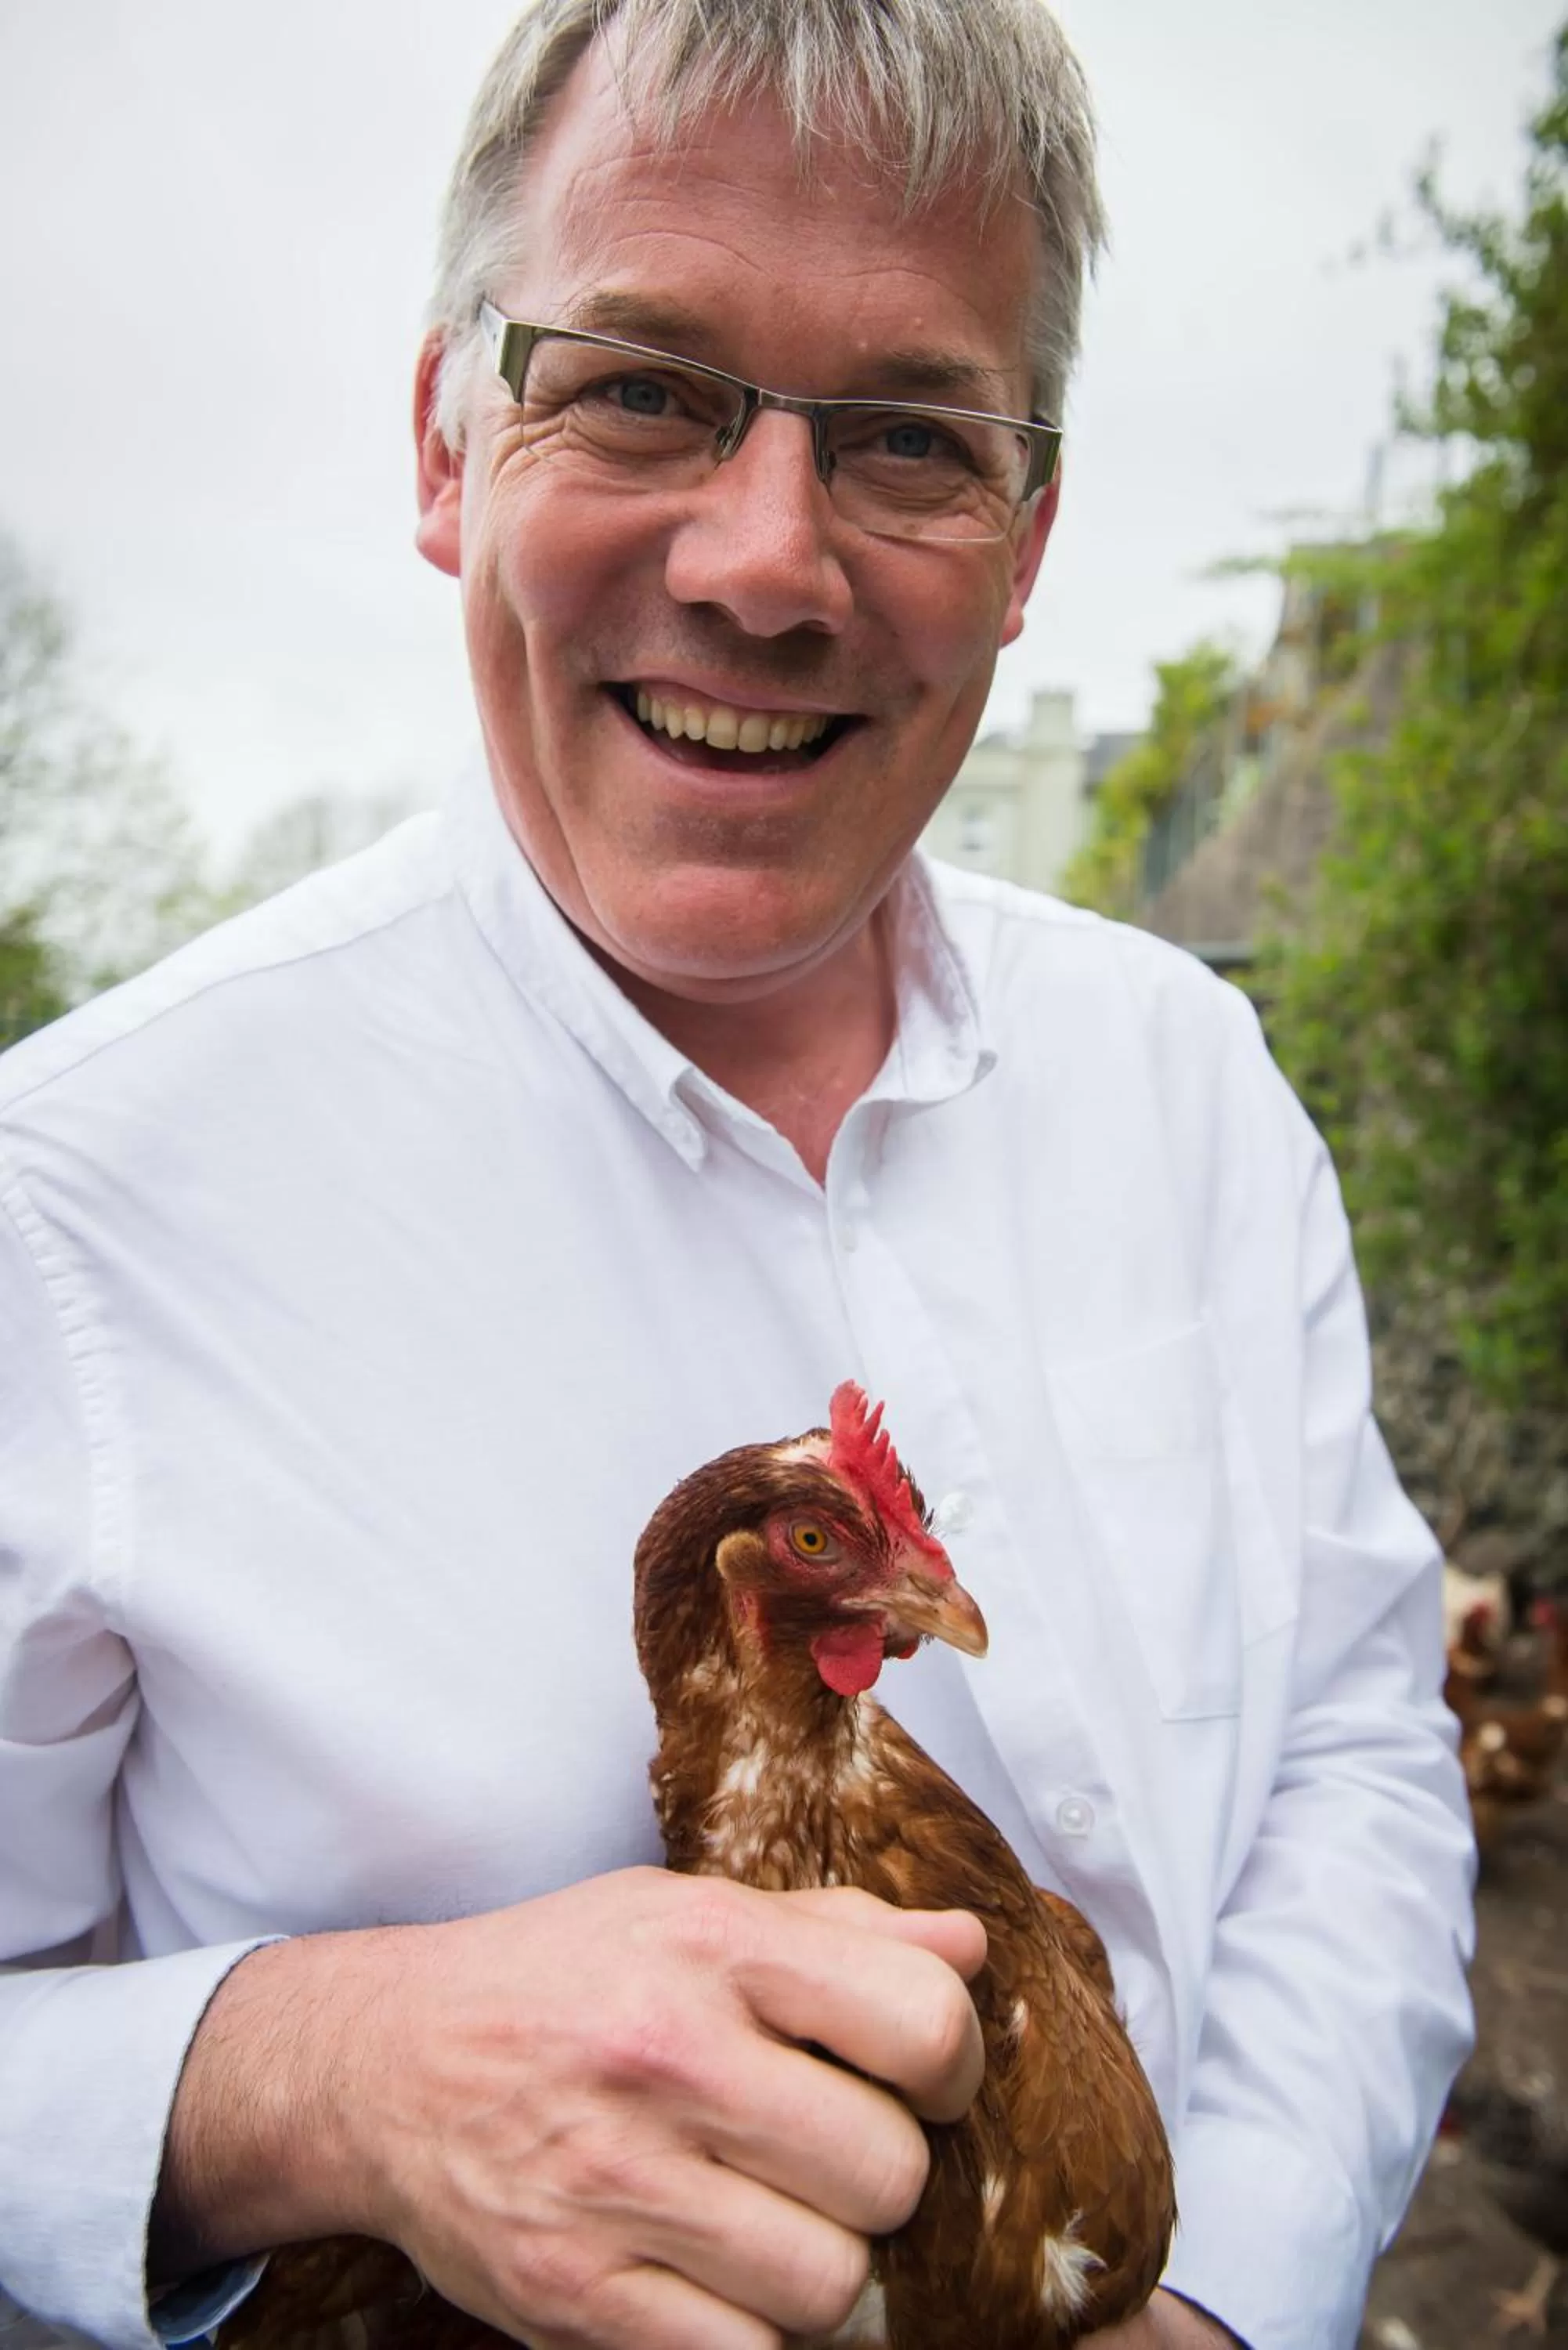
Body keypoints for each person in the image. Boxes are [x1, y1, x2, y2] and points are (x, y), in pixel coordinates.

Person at [0, 2, 1476, 2346]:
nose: (766, 563)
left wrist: (1231, 2292)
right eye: (641, 384)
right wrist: (318, 2069)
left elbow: (1353, 1751)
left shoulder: (1189, 1084)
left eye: (912, 436)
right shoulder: (68, 1204)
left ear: (1028, 542)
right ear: (444, 440)